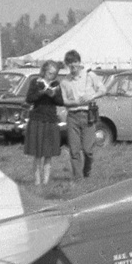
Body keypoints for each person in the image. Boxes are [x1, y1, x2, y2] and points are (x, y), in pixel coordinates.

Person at [58, 49, 105, 180]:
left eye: (75, 63)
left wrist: (92, 96)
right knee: (74, 150)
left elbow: (103, 90)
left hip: (88, 114)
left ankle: (87, 171)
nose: (73, 67)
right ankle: (78, 178)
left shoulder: (90, 76)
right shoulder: (64, 82)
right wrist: (74, 102)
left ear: (79, 63)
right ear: (67, 65)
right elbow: (64, 101)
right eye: (70, 65)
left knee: (88, 150)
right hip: (72, 116)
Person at [24, 60, 63, 187]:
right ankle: (37, 181)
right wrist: (42, 92)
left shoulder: (56, 84)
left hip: (50, 119)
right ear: (44, 71)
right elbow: (29, 99)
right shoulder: (35, 82)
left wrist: (52, 95)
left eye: (54, 74)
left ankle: (46, 182)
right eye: (49, 73)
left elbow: (60, 101)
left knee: (48, 153)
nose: (51, 76)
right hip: (37, 119)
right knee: (37, 153)